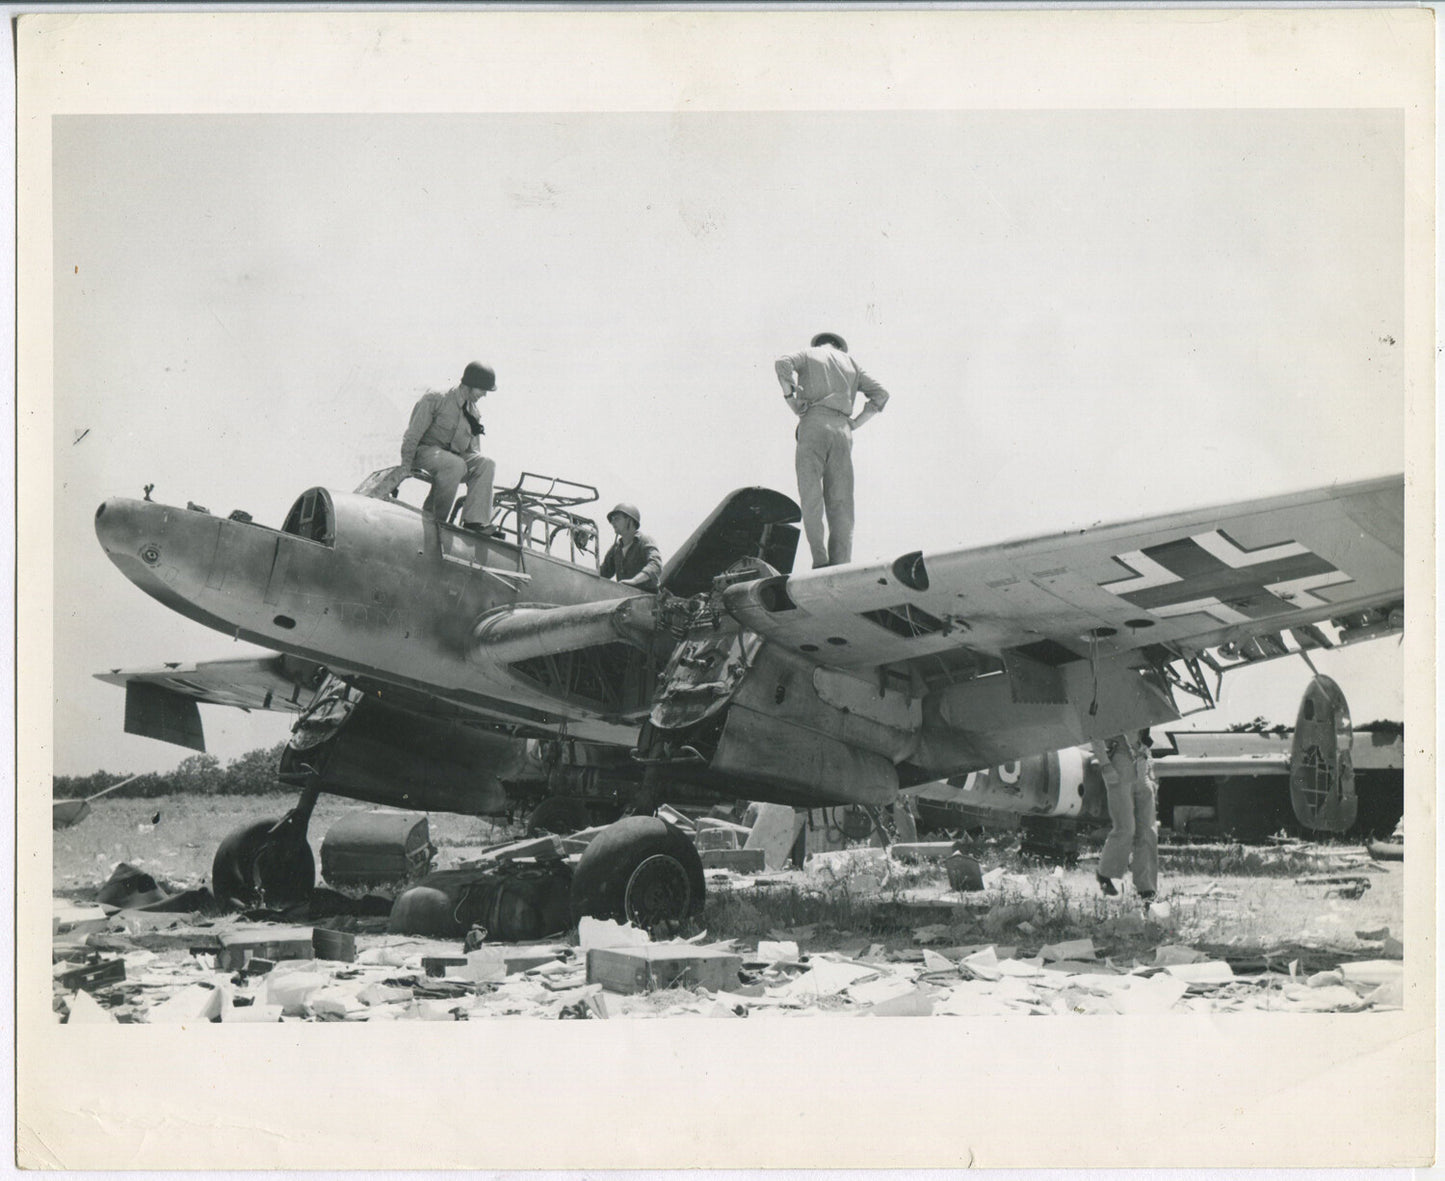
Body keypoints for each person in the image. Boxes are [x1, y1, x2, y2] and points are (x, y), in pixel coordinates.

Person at [775, 332, 890, 568]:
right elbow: (881, 394)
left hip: (813, 423)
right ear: (840, 347)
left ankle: (820, 560)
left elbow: (782, 363)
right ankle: (840, 565)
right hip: (842, 431)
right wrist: (855, 423)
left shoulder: (809, 354)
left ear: (819, 343)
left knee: (811, 495)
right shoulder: (852, 364)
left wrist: (790, 398)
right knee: (842, 502)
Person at [400, 361, 502, 536]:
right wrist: (404, 467)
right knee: (455, 464)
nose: (485, 395)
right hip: (424, 453)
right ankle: (435, 521)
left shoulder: (474, 413)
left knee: (486, 463)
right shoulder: (436, 398)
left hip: (453, 461)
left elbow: (473, 451)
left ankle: (475, 522)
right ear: (470, 384)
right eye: (482, 389)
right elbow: (412, 435)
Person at [1089, 729, 1159, 902]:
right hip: (1120, 762)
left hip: (1141, 762)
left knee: (1148, 830)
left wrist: (1148, 765)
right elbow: (1094, 731)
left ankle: (1147, 889)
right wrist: (1105, 764)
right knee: (1126, 828)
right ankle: (1105, 873)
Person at [599, 502, 663, 591]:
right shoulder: (616, 548)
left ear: (629, 520)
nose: (612, 522)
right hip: (625, 596)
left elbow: (656, 565)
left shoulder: (644, 541)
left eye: (617, 518)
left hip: (647, 597)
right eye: (612, 520)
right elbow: (602, 573)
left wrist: (635, 581)